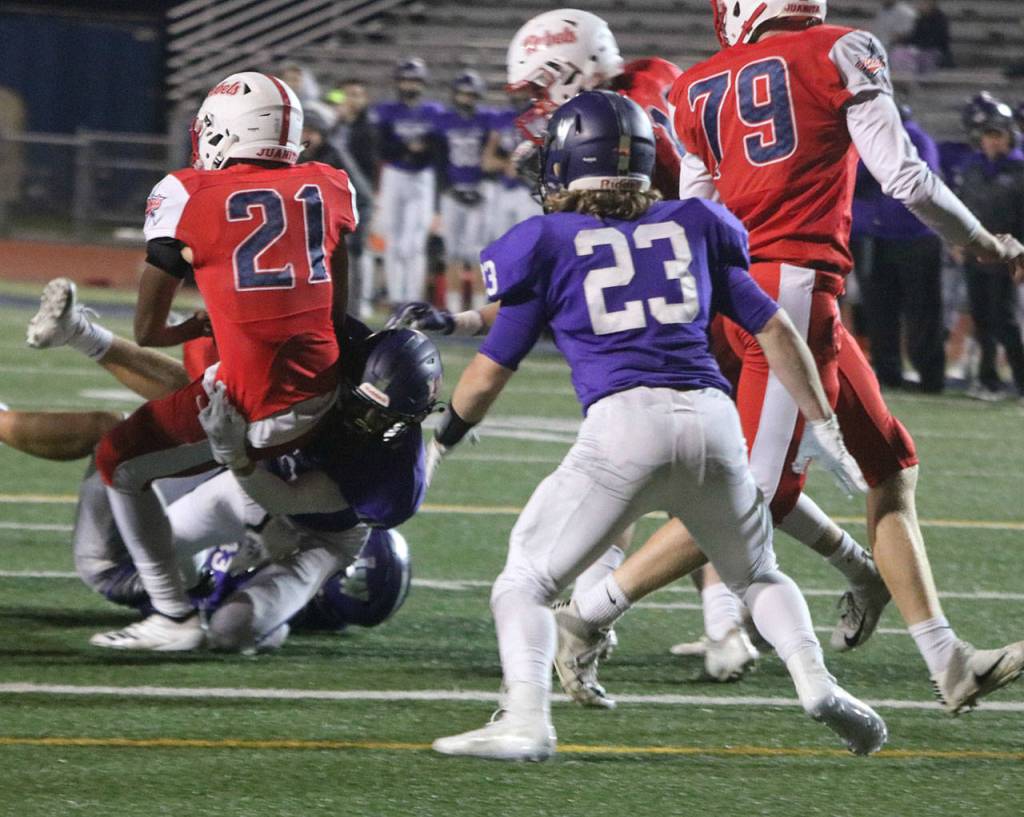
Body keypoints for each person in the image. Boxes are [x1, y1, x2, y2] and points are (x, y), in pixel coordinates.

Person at [394, 8, 888, 691]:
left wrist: (450, 409)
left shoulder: (621, 132)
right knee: (721, 475)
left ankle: (639, 621)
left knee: (679, 472)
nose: (534, 109)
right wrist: (462, 321)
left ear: (570, 72)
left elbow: (575, 277)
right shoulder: (639, 104)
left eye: (538, 89)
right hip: (717, 295)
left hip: (704, 306)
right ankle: (757, 609)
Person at [559, 0, 1024, 717]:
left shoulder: (696, 85)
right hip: (792, 290)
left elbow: (697, 210)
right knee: (755, 497)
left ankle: (947, 659)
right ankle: (586, 614)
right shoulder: (839, 49)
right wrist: (983, 242)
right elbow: (904, 178)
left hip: (740, 291)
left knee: (890, 463)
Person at [27, 72, 359, 651]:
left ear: (225, 130)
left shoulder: (187, 191)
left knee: (118, 462)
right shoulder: (330, 184)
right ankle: (255, 548)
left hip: (254, 406)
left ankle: (172, 614)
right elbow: (338, 310)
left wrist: (193, 323)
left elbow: (148, 331)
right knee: (206, 373)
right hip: (320, 390)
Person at [17, 283, 437, 650]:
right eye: (366, 408)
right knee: (149, 551)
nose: (370, 424)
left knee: (230, 630)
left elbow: (286, 500)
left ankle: (246, 619)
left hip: (319, 533)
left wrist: (235, 457)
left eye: (388, 419)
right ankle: (193, 600)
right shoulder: (332, 347)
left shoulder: (395, 476)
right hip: (259, 476)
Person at [852, 103, 945, 392]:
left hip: (914, 236)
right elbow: (852, 177)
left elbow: (914, 179)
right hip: (874, 237)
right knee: (879, 309)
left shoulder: (916, 139)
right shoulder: (866, 138)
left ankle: (930, 376)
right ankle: (888, 372)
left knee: (922, 310)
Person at [954, 92, 1024, 402]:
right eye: (988, 135)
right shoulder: (972, 168)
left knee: (1005, 320)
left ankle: (1021, 382)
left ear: (1009, 136)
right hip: (977, 254)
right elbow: (962, 209)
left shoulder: (1020, 170)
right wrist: (957, 241)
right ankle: (987, 380)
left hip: (1009, 255)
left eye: (998, 135)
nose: (992, 141)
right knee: (981, 319)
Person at [368, 58, 445, 305]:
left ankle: (412, 299)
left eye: (414, 80)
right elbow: (381, 148)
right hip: (395, 174)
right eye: (405, 80)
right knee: (393, 240)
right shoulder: (387, 110)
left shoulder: (434, 111)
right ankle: (395, 298)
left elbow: (438, 150)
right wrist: (408, 148)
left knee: (415, 243)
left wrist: (414, 150)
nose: (410, 85)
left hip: (422, 176)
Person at [435, 71, 493, 312]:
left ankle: (479, 309)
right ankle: (454, 310)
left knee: (479, 253)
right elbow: (438, 157)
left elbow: (491, 152)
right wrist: (447, 187)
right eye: (462, 94)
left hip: (480, 190)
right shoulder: (444, 120)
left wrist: (485, 184)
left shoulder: (486, 120)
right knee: (452, 253)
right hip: (452, 191)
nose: (466, 98)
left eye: (471, 94)